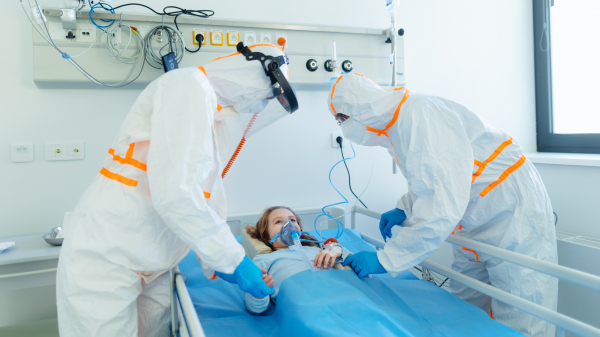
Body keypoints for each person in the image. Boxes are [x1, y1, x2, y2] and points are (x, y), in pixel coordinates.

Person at [56, 44, 297, 337]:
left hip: (152, 263)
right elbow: (176, 193)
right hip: (108, 258)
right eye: (270, 93)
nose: (261, 105)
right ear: (257, 70)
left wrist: (216, 259)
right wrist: (234, 261)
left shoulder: (214, 117)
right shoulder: (189, 87)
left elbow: (204, 201)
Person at [331, 73, 558, 337]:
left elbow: (442, 204)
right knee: (464, 303)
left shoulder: (419, 114)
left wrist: (386, 258)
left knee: (522, 308)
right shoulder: (396, 128)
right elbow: (428, 179)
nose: (343, 128)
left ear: (362, 105)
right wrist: (405, 208)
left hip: (510, 208)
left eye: (341, 119)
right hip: (472, 214)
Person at [244, 206, 353, 314]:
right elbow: (255, 307)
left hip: (342, 295)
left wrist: (341, 251)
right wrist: (258, 294)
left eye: (292, 220)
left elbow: (348, 263)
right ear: (267, 236)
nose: (288, 224)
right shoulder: (264, 259)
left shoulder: (316, 249)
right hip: (307, 307)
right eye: (278, 221)